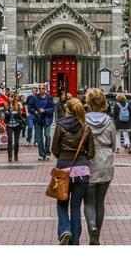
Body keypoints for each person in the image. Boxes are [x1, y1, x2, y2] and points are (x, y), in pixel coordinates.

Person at [51, 98, 95, 245]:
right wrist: (82, 159)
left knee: (61, 204)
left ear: (67, 110)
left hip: (64, 168)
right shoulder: (86, 127)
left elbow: (54, 149)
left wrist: (63, 157)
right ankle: (75, 242)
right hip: (82, 171)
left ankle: (64, 230)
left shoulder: (60, 125)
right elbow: (91, 153)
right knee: (75, 208)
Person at [84, 88, 117, 245]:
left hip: (89, 162)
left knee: (89, 201)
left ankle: (91, 227)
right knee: (100, 202)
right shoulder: (109, 122)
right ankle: (95, 238)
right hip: (105, 163)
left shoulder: (83, 121)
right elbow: (114, 144)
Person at [29, 84, 56, 160]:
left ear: (45, 89)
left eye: (43, 88)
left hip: (47, 119)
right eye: (40, 88)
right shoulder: (35, 98)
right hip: (37, 119)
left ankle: (47, 152)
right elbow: (30, 107)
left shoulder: (49, 98)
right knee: (39, 138)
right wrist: (35, 111)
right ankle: (41, 154)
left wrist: (45, 110)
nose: (41, 89)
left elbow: (53, 108)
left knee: (47, 135)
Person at [4, 93, 25, 163]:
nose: (10, 98)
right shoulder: (6, 105)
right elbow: (6, 114)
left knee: (16, 142)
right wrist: (12, 113)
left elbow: (19, 114)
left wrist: (11, 113)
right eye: (9, 97)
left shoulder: (17, 105)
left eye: (11, 97)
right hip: (9, 125)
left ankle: (16, 156)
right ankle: (10, 157)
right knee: (10, 141)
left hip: (17, 125)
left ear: (14, 98)